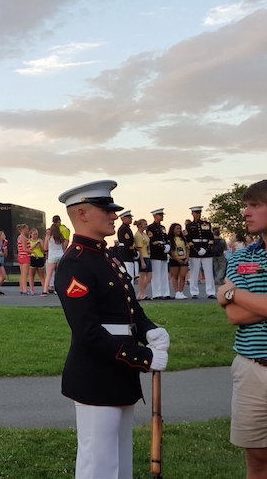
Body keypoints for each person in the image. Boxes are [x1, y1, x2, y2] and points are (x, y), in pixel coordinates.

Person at [54, 181, 169, 479]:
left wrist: (150, 331)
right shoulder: (74, 263)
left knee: (120, 459)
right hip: (96, 372)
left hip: (119, 369)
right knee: (98, 462)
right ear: (82, 213)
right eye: (106, 209)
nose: (114, 216)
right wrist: (142, 358)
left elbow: (131, 307)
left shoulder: (108, 257)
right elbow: (87, 331)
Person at [216, 179, 267, 478]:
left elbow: (232, 301)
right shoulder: (241, 257)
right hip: (250, 368)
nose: (245, 213)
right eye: (245, 206)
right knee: (259, 461)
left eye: (255, 205)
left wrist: (234, 294)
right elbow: (234, 316)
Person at [185, 206, 216, 299]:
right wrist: (196, 250)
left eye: (199, 213)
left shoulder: (207, 224)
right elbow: (188, 239)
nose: (198, 215)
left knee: (208, 272)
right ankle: (194, 292)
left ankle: (210, 292)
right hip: (195, 249)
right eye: (196, 213)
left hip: (206, 249)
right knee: (194, 271)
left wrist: (206, 249)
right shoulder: (189, 226)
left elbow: (211, 238)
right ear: (192, 214)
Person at [147, 208, 171, 300]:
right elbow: (152, 242)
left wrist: (168, 246)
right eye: (160, 215)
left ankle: (166, 293)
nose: (162, 217)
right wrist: (163, 247)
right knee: (156, 274)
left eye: (162, 215)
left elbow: (166, 238)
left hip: (163, 253)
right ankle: (157, 293)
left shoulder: (162, 228)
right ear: (154, 216)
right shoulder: (151, 228)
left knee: (164, 273)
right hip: (156, 253)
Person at [44, 223, 68, 296]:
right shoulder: (61, 237)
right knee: (60, 274)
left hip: (52, 256)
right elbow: (64, 246)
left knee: (49, 274)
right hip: (60, 255)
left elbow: (45, 248)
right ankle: (60, 289)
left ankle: (45, 291)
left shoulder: (49, 237)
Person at [167, 223, 190, 300]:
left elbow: (187, 248)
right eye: (177, 229)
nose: (179, 230)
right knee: (175, 276)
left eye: (180, 228)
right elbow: (170, 251)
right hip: (175, 259)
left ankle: (181, 291)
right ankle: (177, 292)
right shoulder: (170, 239)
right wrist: (177, 259)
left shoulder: (183, 238)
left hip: (184, 258)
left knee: (183, 276)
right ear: (173, 230)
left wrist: (187, 258)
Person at [116, 211, 138, 281]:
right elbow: (128, 244)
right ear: (122, 219)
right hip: (125, 253)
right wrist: (134, 253)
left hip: (126, 252)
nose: (130, 219)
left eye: (130, 217)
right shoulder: (124, 229)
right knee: (128, 274)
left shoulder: (127, 228)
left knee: (130, 273)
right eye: (128, 217)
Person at [134, 219, 152, 301]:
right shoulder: (138, 235)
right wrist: (142, 261)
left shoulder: (144, 234)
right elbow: (139, 249)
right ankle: (142, 293)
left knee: (149, 276)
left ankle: (141, 293)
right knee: (142, 276)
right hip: (143, 256)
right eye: (145, 224)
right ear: (140, 225)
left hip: (147, 256)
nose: (146, 225)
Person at [27, 228, 45, 296]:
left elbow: (43, 251)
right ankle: (32, 289)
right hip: (32, 257)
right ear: (31, 234)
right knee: (31, 274)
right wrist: (34, 245)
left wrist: (40, 246)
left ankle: (44, 289)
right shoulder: (28, 241)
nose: (35, 236)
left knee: (41, 275)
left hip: (40, 258)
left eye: (36, 234)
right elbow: (28, 249)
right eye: (34, 234)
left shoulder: (40, 240)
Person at [16, 224, 30, 296]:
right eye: (27, 229)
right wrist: (32, 252)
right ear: (23, 229)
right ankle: (25, 290)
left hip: (20, 256)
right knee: (25, 274)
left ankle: (22, 289)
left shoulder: (19, 237)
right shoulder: (23, 237)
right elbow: (25, 249)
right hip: (25, 256)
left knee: (22, 274)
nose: (27, 230)